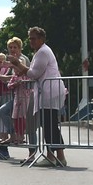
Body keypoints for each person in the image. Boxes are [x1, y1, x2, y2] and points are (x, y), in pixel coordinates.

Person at [11, 27, 68, 166]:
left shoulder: (42, 52)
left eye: (34, 38)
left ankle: (58, 156)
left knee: (50, 125)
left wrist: (18, 64)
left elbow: (34, 73)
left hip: (49, 92)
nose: (31, 41)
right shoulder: (41, 51)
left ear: (41, 39)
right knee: (49, 125)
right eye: (30, 38)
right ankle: (53, 156)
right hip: (47, 92)